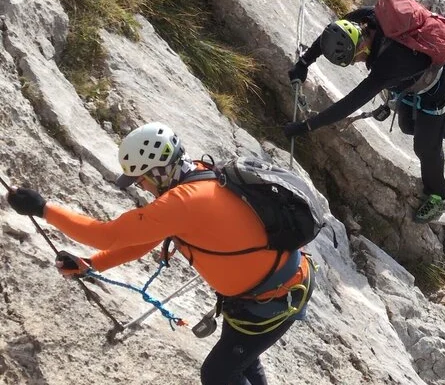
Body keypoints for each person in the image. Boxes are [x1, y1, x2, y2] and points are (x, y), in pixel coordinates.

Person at [4, 123, 314, 385]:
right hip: (267, 295)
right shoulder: (201, 177)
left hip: (273, 299)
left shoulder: (183, 202)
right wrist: (91, 265)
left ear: (159, 171)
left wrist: (43, 208)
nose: (143, 188)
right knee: (240, 362)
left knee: (218, 373)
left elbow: (106, 235)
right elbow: (143, 242)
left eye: (143, 180)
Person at [283, 8, 445, 223]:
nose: (355, 64)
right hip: (411, 83)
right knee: (408, 127)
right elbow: (330, 35)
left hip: (435, 89)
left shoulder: (388, 66)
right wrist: (304, 63)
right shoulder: (368, 19)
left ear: (360, 49)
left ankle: (438, 195)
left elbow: (349, 104)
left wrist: (305, 127)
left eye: (354, 60)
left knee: (425, 146)